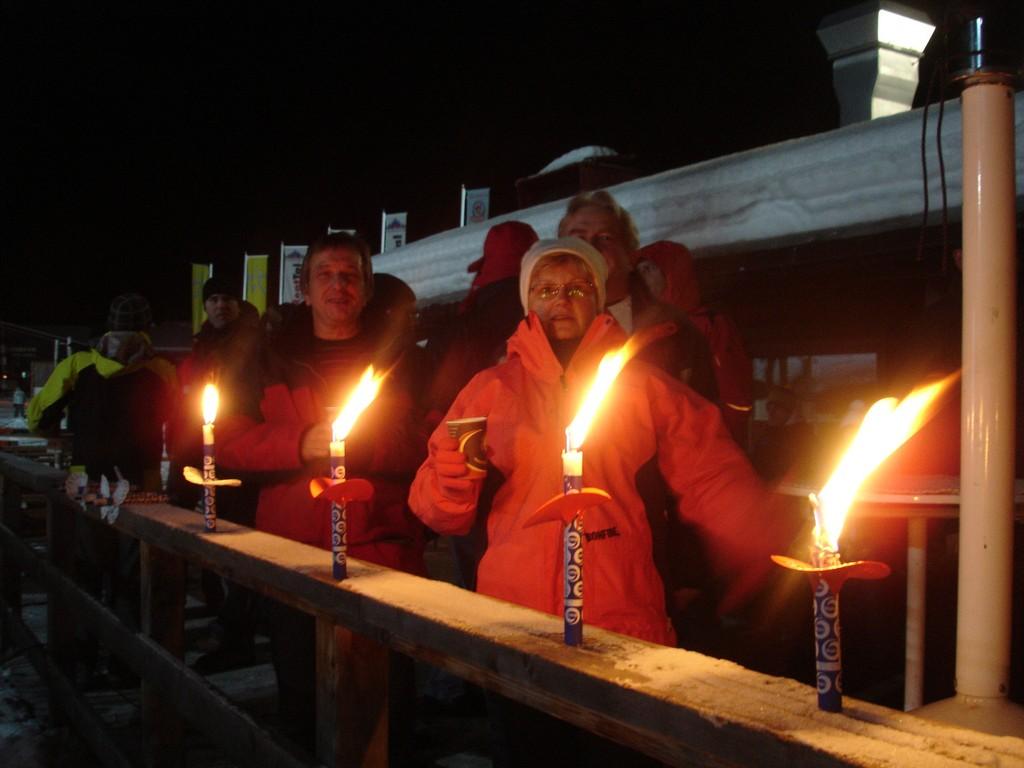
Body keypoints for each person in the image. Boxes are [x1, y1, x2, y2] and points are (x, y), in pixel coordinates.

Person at [409, 237, 780, 765]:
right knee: (529, 753)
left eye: (577, 287)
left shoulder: (643, 387)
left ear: (600, 299)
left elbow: (712, 473)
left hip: (622, 617)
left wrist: (754, 537)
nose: (560, 299)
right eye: (545, 288)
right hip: (516, 622)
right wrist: (447, 479)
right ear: (527, 300)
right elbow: (435, 506)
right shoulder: (491, 388)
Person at [218, 231, 427, 752]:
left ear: (368, 286)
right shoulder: (267, 359)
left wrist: (370, 452)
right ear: (304, 287)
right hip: (292, 554)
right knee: (303, 696)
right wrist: (301, 442)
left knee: (386, 703)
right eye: (326, 275)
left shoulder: (404, 360)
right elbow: (228, 441)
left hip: (383, 548)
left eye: (350, 274)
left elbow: (429, 439)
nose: (339, 285)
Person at [28, 292, 177, 687]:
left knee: (88, 573)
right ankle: (127, 665)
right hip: (140, 486)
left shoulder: (79, 364)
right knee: (133, 577)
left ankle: (82, 662)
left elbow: (38, 415)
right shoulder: (161, 369)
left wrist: (55, 432)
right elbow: (182, 423)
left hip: (87, 482)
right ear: (148, 327)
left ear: (107, 326)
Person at [167, 276, 263, 671]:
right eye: (214, 300)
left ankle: (237, 635)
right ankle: (224, 623)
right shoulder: (199, 347)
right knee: (207, 545)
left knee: (238, 547)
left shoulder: (256, 344)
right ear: (205, 307)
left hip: (242, 461)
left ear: (238, 305)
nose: (221, 306)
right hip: (198, 456)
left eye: (227, 299)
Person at [557, 190, 717, 400]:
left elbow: (703, 419)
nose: (591, 247)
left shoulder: (673, 330)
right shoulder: (546, 333)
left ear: (630, 254)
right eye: (578, 238)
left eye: (605, 237)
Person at [635, 240, 754, 446]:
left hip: (699, 440)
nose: (640, 278)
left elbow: (735, 396)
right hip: (655, 440)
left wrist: (724, 443)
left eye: (648, 269)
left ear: (671, 273)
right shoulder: (638, 328)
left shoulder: (710, 324)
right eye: (637, 272)